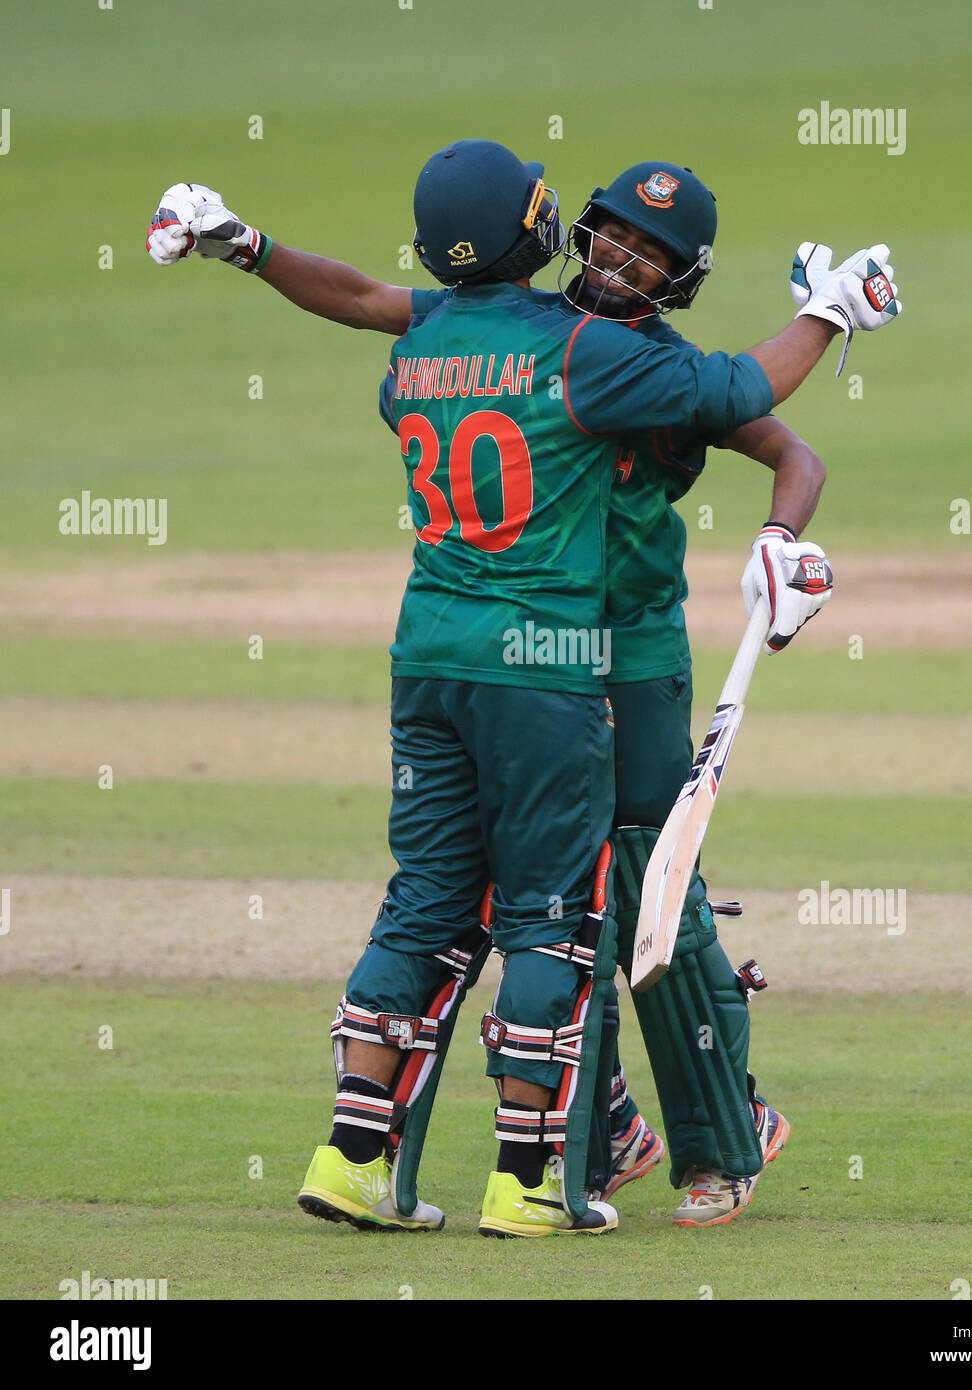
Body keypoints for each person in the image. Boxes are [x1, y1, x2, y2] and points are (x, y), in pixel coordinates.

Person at [146, 146, 900, 1234]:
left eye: (653, 253)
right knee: (556, 907)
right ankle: (571, 1157)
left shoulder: (542, 341)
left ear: (680, 276)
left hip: (607, 653)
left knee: (629, 888)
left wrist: (782, 539)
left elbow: (787, 446)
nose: (623, 259)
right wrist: (828, 315)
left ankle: (717, 1136)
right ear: (564, 230)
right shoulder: (570, 344)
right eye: (611, 234)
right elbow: (366, 296)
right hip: (546, 660)